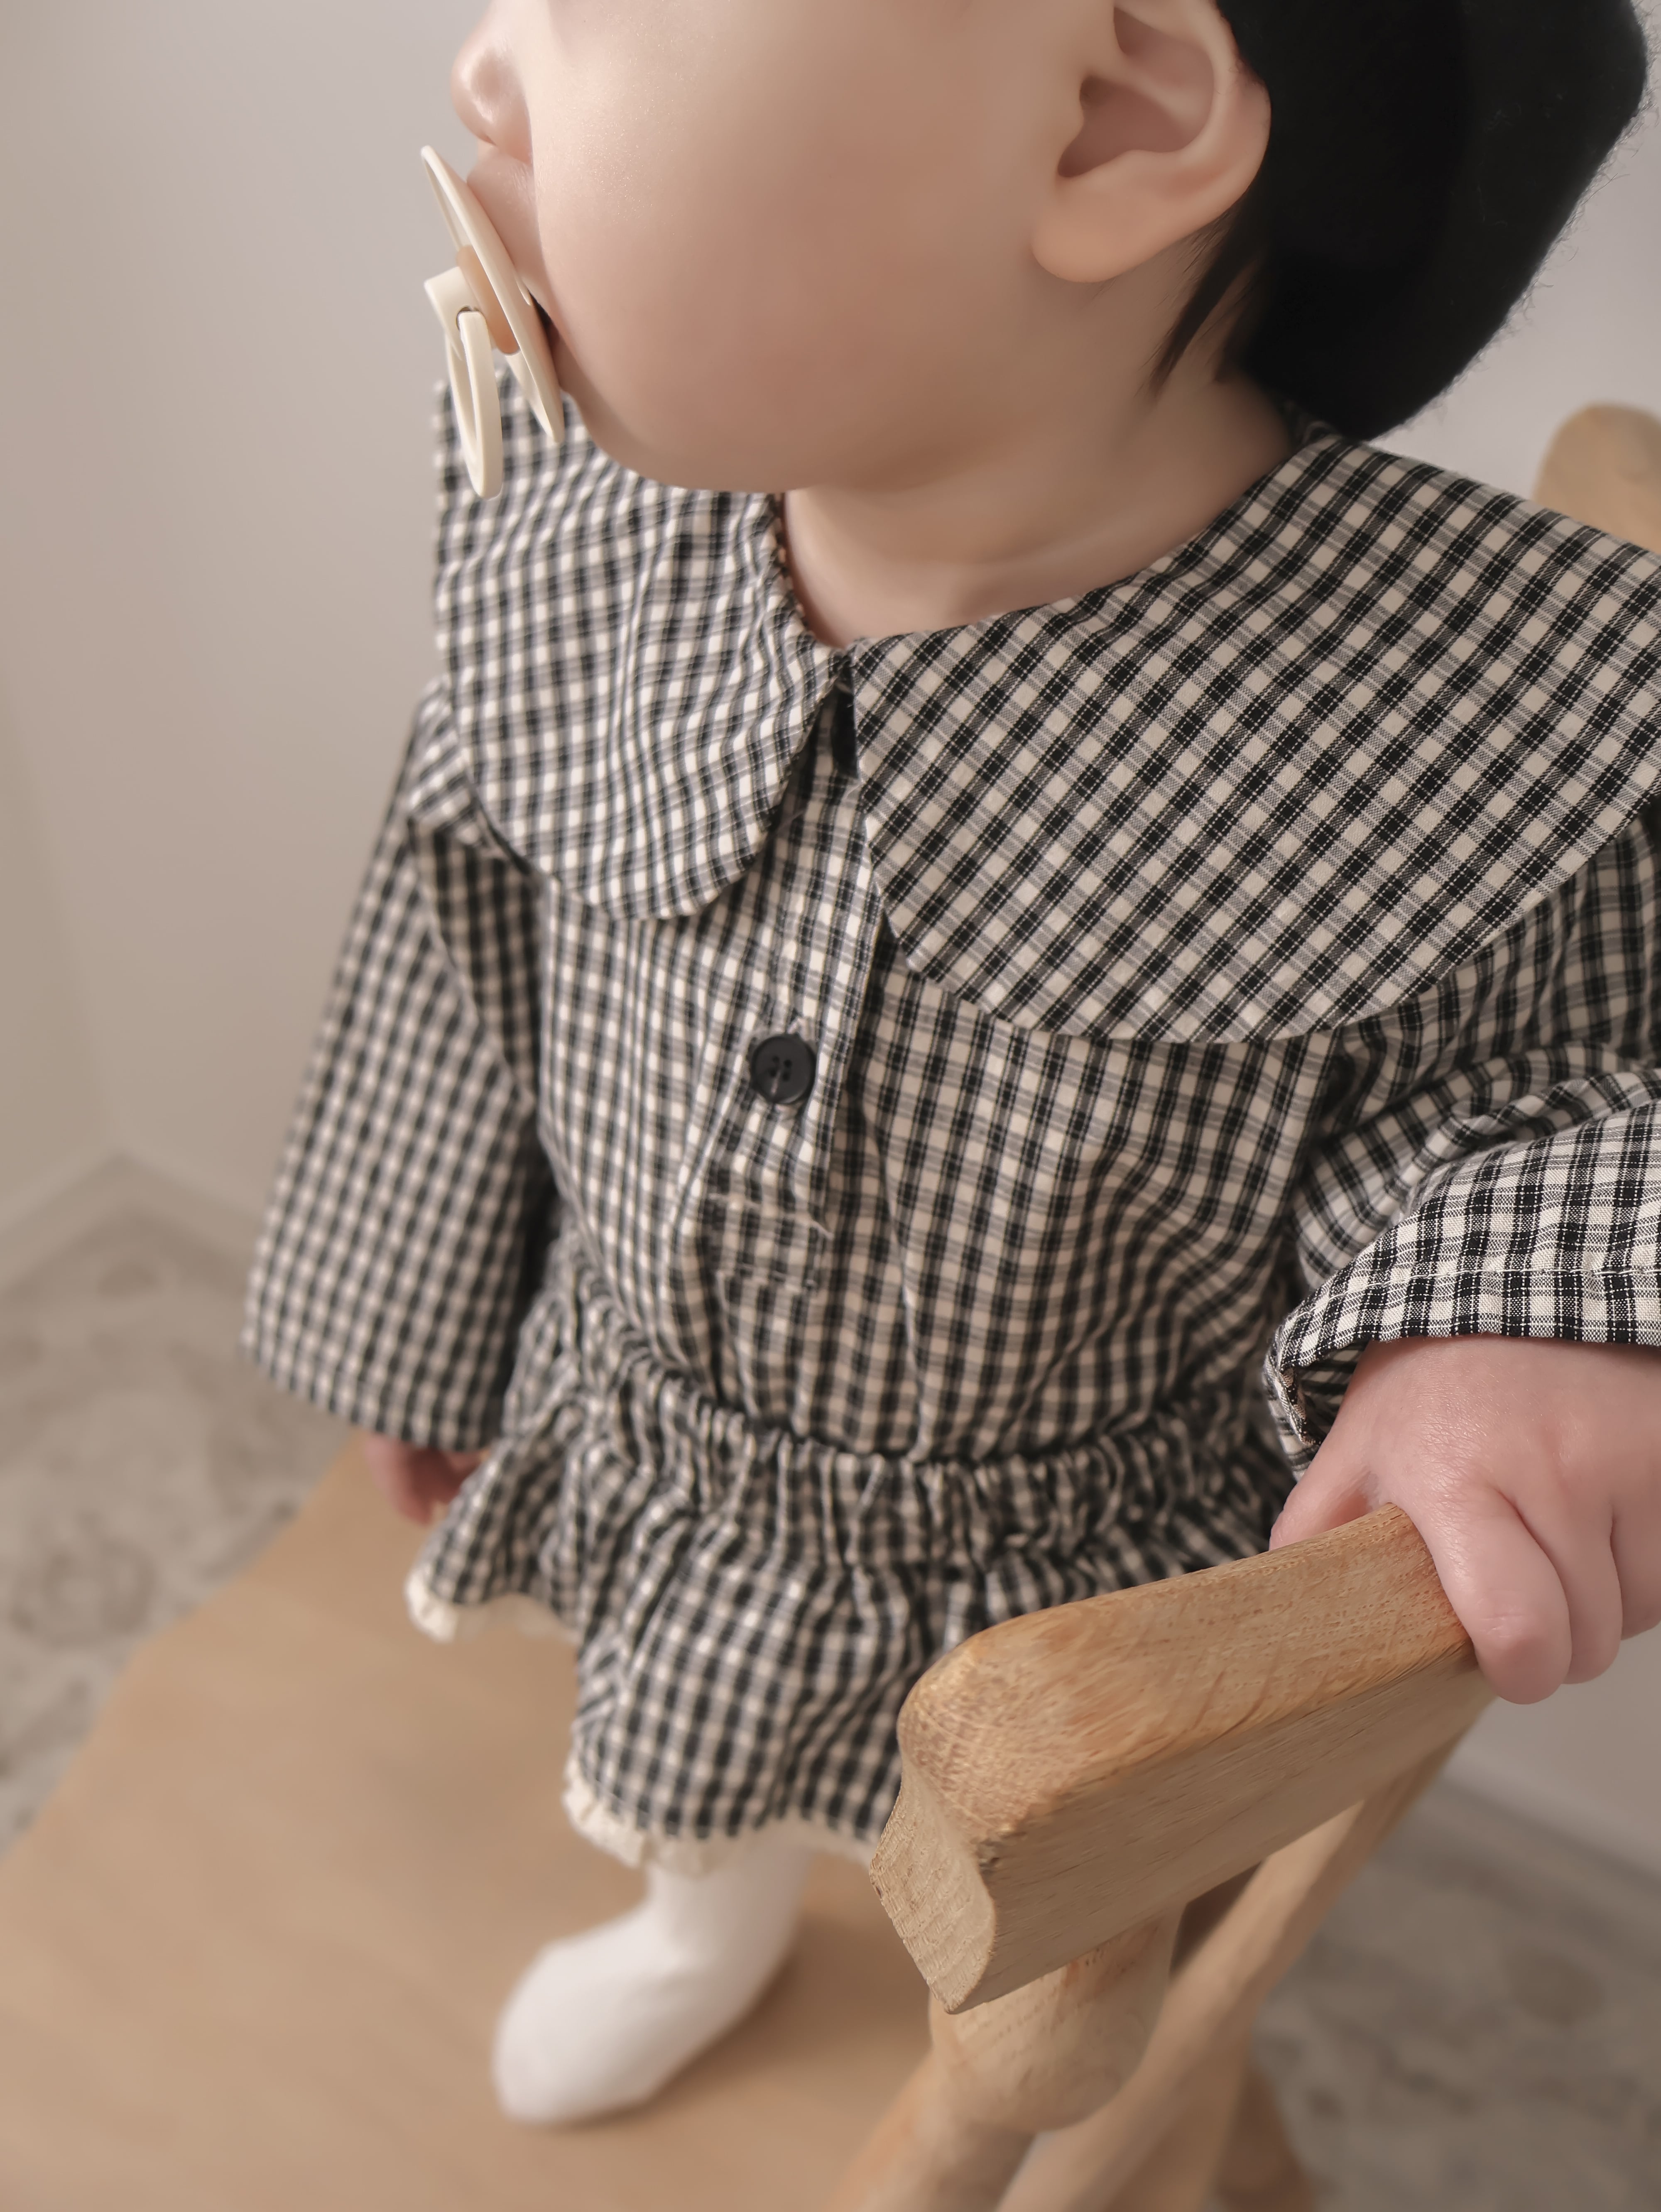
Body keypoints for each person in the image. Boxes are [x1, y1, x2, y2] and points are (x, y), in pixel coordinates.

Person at [246, 0, 1661, 2129]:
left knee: (1066, 1932)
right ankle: (701, 1917)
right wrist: (417, 1317)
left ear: (1107, 120)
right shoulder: (576, 521)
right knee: (695, 1773)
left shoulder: (1459, 729)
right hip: (683, 1453)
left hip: (1101, 1580)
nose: (481, 65)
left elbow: (1546, 1079)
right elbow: (462, 925)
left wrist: (1518, 1315)